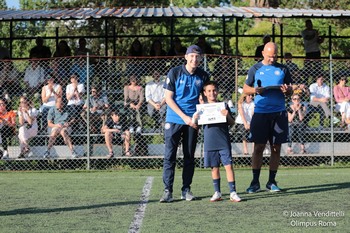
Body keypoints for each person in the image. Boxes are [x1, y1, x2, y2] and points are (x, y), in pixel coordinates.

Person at [159, 45, 209, 203]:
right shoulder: (174, 72)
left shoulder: (203, 75)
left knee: (189, 156)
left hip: (192, 122)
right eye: (192, 56)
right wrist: (184, 117)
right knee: (169, 156)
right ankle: (168, 191)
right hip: (174, 119)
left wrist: (200, 116)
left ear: (201, 58)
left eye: (197, 56)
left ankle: (186, 189)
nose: (194, 59)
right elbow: (168, 98)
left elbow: (206, 98)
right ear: (186, 57)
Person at [243, 42, 293, 193]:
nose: (272, 59)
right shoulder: (255, 68)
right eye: (270, 56)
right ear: (263, 53)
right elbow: (245, 88)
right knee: (258, 147)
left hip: (279, 113)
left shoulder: (283, 69)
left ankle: (271, 181)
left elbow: (290, 89)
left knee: (276, 148)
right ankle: (255, 182)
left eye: (275, 56)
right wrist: (255, 90)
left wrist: (287, 91)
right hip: (261, 113)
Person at [193, 81, 241, 202]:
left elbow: (232, 122)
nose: (212, 93)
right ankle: (217, 192)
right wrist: (196, 118)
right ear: (205, 93)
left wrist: (227, 116)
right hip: (210, 142)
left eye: (214, 90)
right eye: (209, 91)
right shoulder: (202, 108)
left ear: (217, 91)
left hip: (223, 141)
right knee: (214, 168)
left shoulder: (223, 105)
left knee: (228, 166)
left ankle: (233, 192)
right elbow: (196, 125)